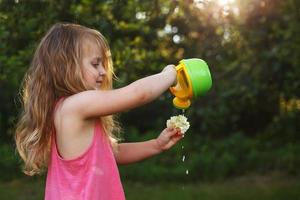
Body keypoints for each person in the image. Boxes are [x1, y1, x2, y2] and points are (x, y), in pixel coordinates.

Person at [15, 23, 183, 200]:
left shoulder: (64, 109)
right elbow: (138, 94)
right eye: (95, 64)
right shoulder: (76, 106)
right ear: (65, 67)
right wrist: (170, 74)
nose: (103, 71)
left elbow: (111, 153)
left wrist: (156, 145)